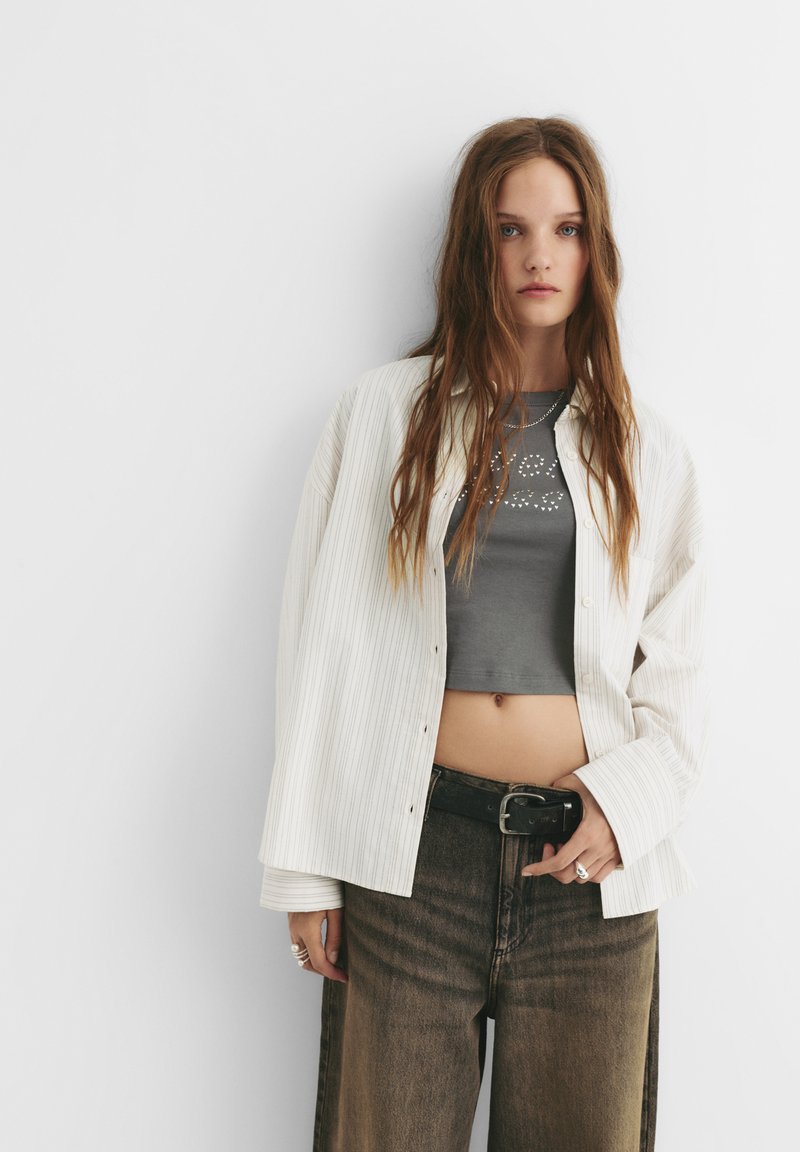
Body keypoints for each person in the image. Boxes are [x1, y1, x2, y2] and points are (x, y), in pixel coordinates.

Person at [257, 115, 707, 1151]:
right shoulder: (382, 416)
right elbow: (319, 647)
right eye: (511, 229)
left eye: (565, 228)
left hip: (587, 875)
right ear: (477, 244)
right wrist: (305, 867)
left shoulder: (647, 450)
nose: (539, 255)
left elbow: (680, 678)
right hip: (411, 860)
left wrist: (627, 807)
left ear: (594, 249)